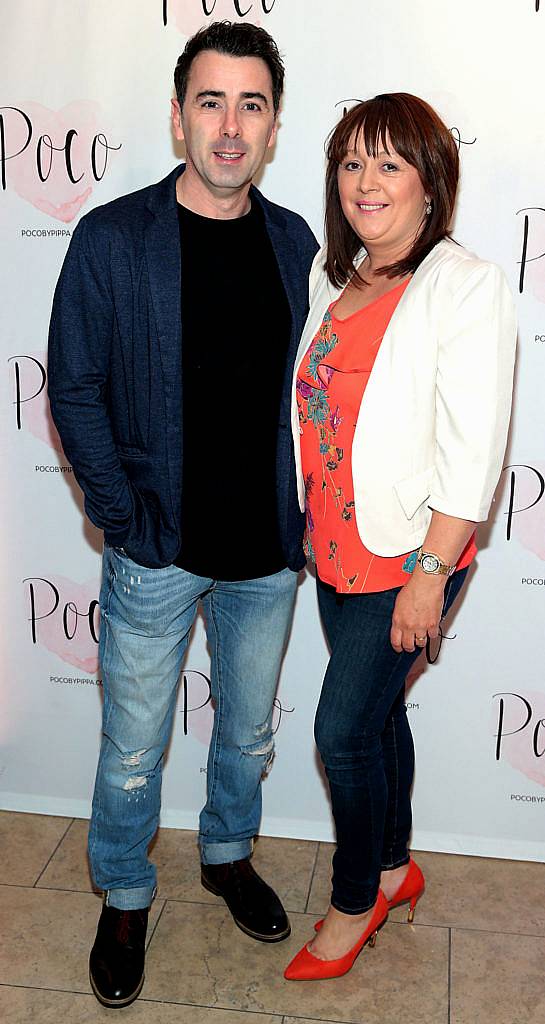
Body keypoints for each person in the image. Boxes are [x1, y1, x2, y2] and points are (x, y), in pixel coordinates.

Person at [48, 21, 318, 1008]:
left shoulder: (296, 244)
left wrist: (306, 528)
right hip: (155, 553)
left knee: (245, 736)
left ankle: (224, 852)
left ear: (273, 125)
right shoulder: (112, 239)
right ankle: (124, 895)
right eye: (211, 101)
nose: (230, 125)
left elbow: (314, 397)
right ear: (177, 117)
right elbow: (73, 388)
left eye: (251, 104)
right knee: (131, 749)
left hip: (263, 555)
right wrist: (124, 516)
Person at [284, 93, 516, 981]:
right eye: (350, 163)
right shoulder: (329, 278)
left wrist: (428, 575)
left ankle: (355, 901)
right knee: (375, 717)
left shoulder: (466, 285)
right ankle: (395, 864)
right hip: (337, 548)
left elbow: (474, 453)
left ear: (431, 181)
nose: (365, 182)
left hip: (411, 555)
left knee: (340, 733)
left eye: (388, 163)